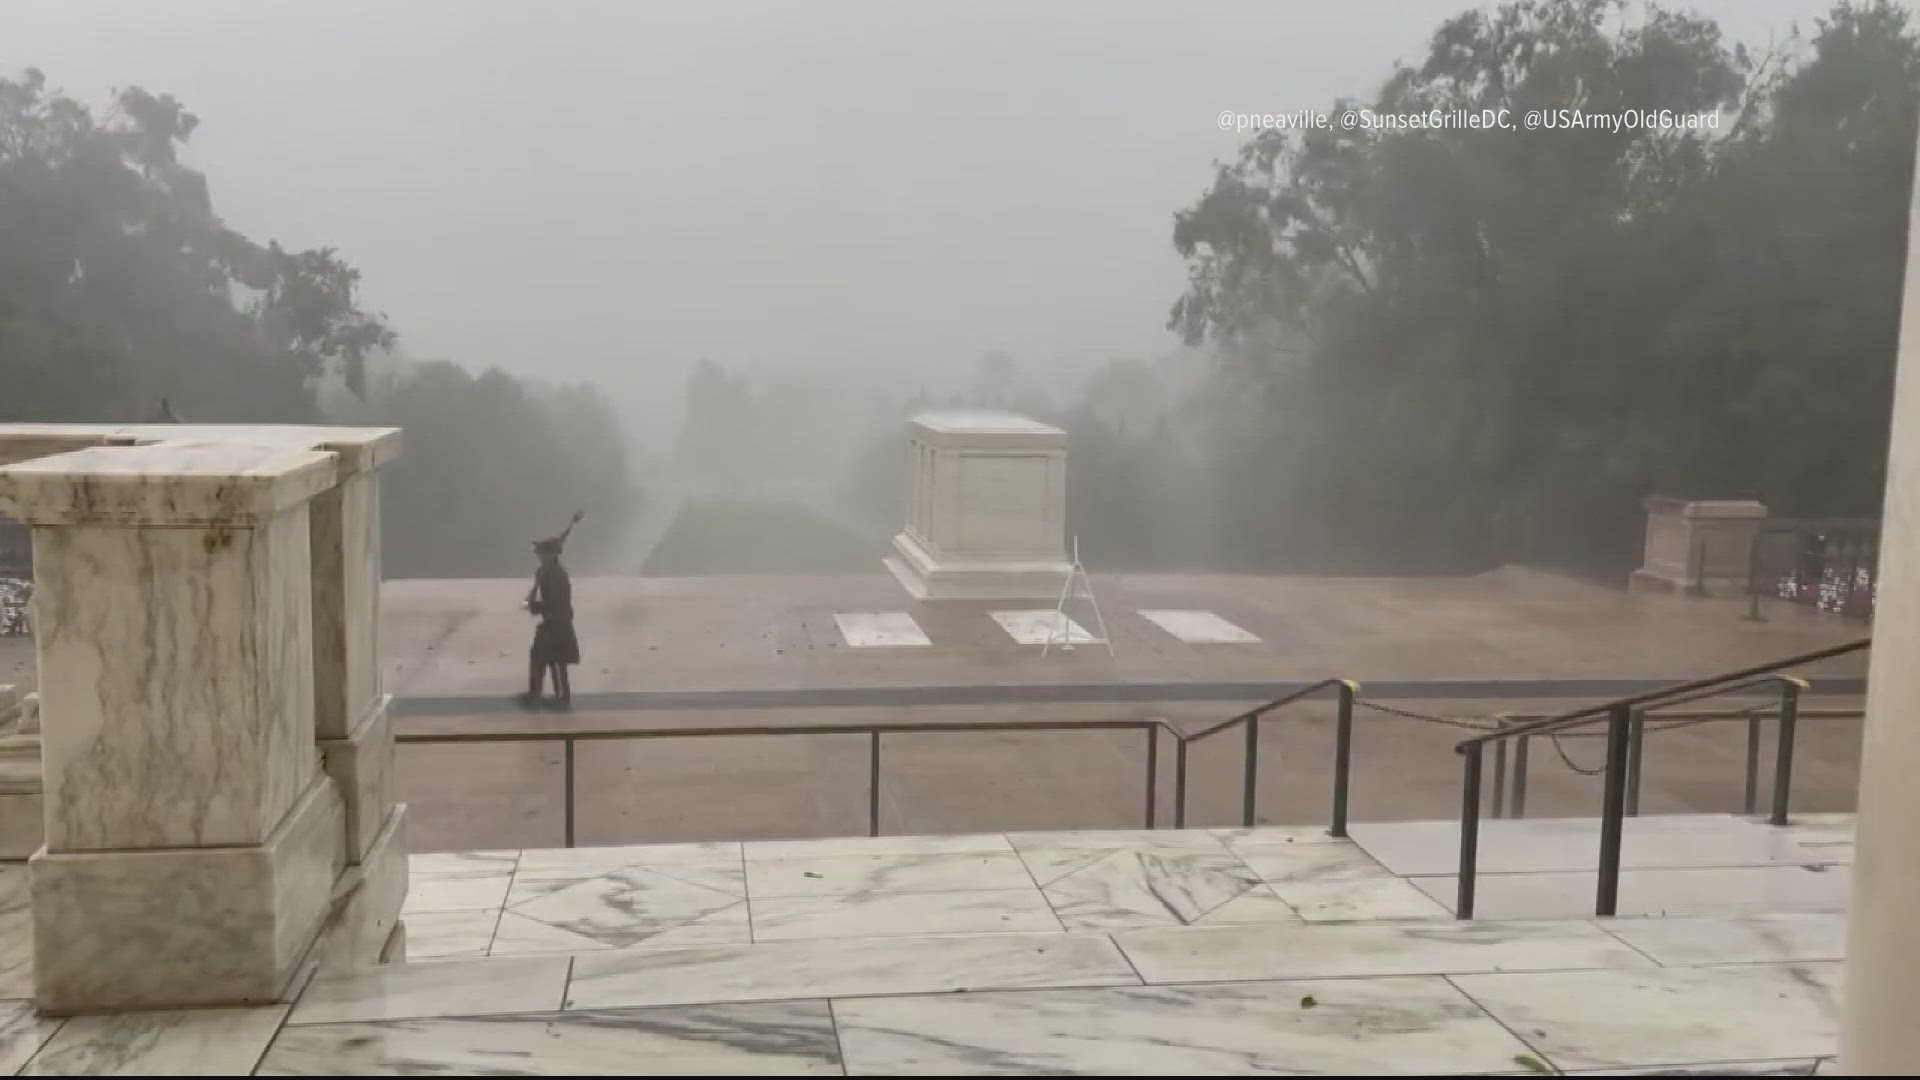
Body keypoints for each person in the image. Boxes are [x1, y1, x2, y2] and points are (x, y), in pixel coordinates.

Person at [520, 511, 583, 709]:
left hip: (557, 622)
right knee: (554, 661)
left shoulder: (556, 575)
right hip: (555, 622)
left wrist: (534, 606)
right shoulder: (547, 571)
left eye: (540, 552)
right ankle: (553, 696)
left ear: (548, 554)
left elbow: (556, 602)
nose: (537, 555)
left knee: (550, 661)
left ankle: (551, 697)